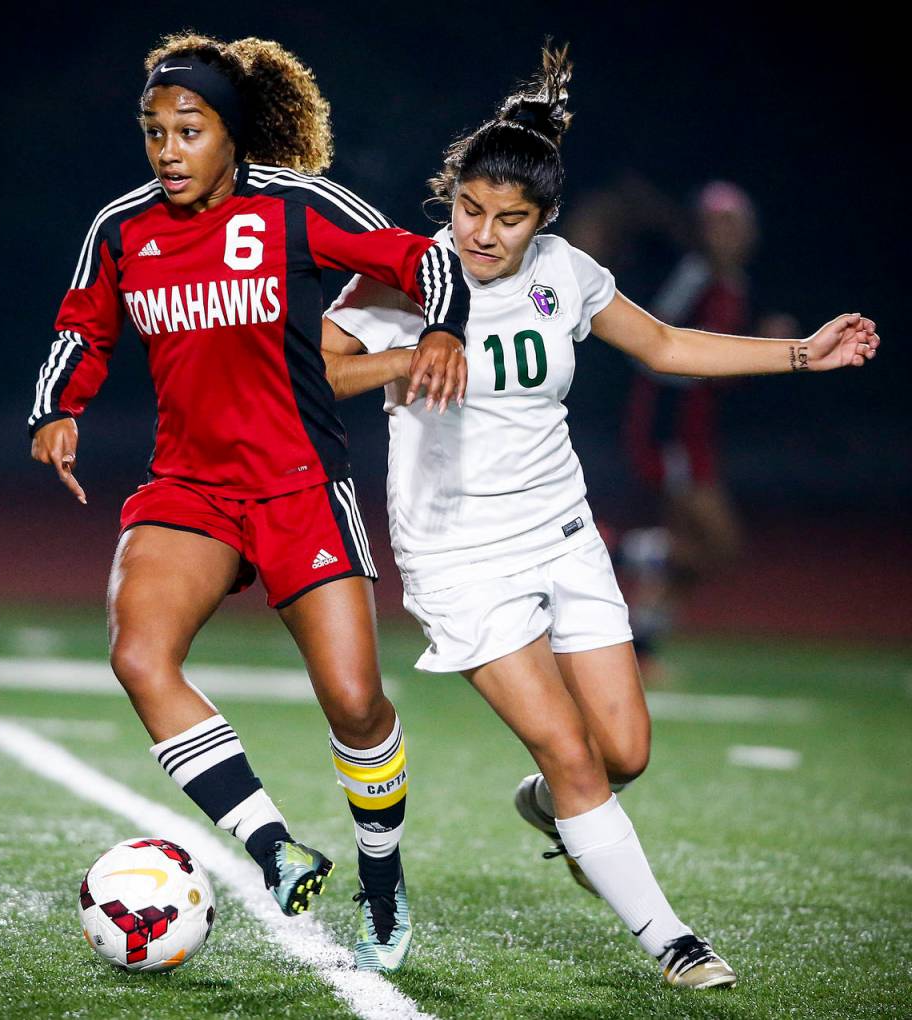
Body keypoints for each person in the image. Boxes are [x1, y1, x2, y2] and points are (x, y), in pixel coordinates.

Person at [321, 44, 879, 989]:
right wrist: (406, 362)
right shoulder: (404, 275)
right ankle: (671, 940)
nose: (482, 235)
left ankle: (556, 809)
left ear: (543, 221)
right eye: (468, 210)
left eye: (508, 219)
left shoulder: (565, 272)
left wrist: (801, 357)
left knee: (624, 752)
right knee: (574, 752)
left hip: (564, 535)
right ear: (448, 197)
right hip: (460, 556)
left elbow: (664, 343)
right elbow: (327, 368)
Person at [28, 31, 470, 973]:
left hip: (300, 485)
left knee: (355, 704)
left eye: (188, 129)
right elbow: (83, 325)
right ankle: (274, 848)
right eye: (154, 132)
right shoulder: (121, 228)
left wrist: (443, 330)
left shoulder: (295, 208)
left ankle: (383, 881)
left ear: (233, 133)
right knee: (140, 656)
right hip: (189, 486)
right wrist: (57, 409)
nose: (168, 150)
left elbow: (424, 259)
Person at [619, 181, 798, 669]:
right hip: (669, 430)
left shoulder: (736, 286)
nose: (727, 235)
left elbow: (722, 371)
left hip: (696, 433)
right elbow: (654, 347)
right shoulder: (693, 276)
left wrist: (759, 351)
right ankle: (614, 551)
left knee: (692, 547)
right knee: (717, 542)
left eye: (735, 224)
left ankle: (642, 644)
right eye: (717, 224)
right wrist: (737, 351)